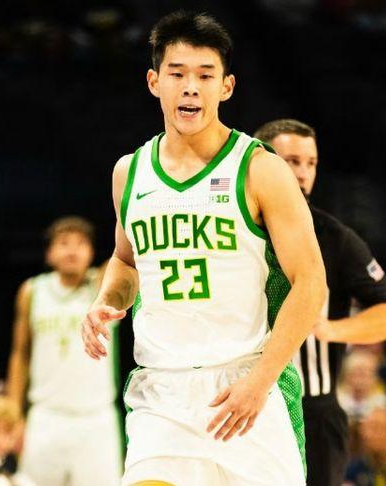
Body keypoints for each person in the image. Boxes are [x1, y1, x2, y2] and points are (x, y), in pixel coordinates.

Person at [81, 11, 328, 486]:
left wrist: (261, 381)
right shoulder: (129, 172)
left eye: (205, 75)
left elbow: (311, 283)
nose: (190, 87)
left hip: (246, 381)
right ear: (154, 82)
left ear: (226, 87)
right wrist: (106, 300)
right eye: (177, 74)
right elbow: (126, 261)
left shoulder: (260, 168)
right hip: (163, 393)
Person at [253, 118, 386, 486]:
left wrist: (327, 329)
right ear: (260, 163)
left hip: (314, 411)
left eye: (311, 163)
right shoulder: (235, 228)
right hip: (245, 401)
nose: (303, 173)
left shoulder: (335, 237)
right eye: (292, 161)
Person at [6, 216, 122, 485]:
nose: (72, 250)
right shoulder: (32, 290)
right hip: (46, 415)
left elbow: (129, 253)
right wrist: (13, 413)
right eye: (63, 243)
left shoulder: (104, 286)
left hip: (96, 419)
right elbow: (20, 354)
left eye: (81, 243)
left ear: (91, 252)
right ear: (49, 253)